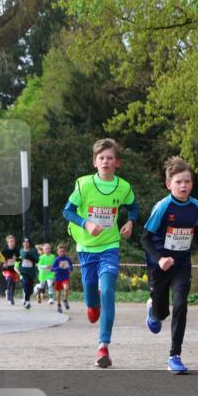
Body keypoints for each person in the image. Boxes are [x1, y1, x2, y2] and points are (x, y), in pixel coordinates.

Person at [63, 138, 139, 368]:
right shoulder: (84, 184)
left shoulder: (124, 187)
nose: (105, 161)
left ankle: (103, 346)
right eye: (101, 158)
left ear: (118, 163)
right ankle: (92, 304)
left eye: (110, 158)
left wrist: (130, 222)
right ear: (95, 162)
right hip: (86, 248)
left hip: (110, 246)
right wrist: (86, 223)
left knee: (107, 290)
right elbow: (67, 212)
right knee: (92, 297)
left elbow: (133, 207)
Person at [140, 156, 198, 374]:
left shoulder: (196, 206)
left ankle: (175, 356)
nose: (183, 186)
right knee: (161, 313)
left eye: (187, 182)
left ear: (192, 184)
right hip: (160, 265)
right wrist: (160, 259)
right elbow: (145, 238)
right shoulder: (163, 207)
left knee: (181, 304)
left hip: (182, 264)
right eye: (178, 182)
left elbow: (194, 229)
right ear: (169, 184)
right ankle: (153, 310)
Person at [51, 243, 74, 312]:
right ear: (58, 252)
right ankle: (59, 305)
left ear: (65, 252)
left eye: (63, 251)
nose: (62, 252)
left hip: (65, 277)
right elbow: (52, 269)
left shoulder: (67, 259)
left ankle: (65, 300)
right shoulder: (56, 260)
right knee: (59, 293)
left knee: (66, 288)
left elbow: (71, 266)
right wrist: (59, 267)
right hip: (58, 278)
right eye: (61, 251)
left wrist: (70, 270)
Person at [18, 237, 39, 309]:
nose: (26, 244)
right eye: (24, 242)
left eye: (27, 242)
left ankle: (26, 298)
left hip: (31, 271)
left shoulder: (33, 251)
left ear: (29, 243)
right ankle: (27, 301)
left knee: (30, 289)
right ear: (22, 243)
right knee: (25, 283)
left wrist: (30, 257)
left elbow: (37, 260)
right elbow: (19, 260)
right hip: (23, 271)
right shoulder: (21, 251)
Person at [0, 234, 19, 305]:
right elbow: (0, 259)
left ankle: (11, 296)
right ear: (8, 243)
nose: (12, 243)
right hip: (6, 269)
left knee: (13, 284)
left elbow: (19, 260)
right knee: (10, 278)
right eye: (10, 241)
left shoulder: (17, 251)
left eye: (13, 241)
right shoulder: (4, 251)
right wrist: (3, 263)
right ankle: (9, 294)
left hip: (14, 270)